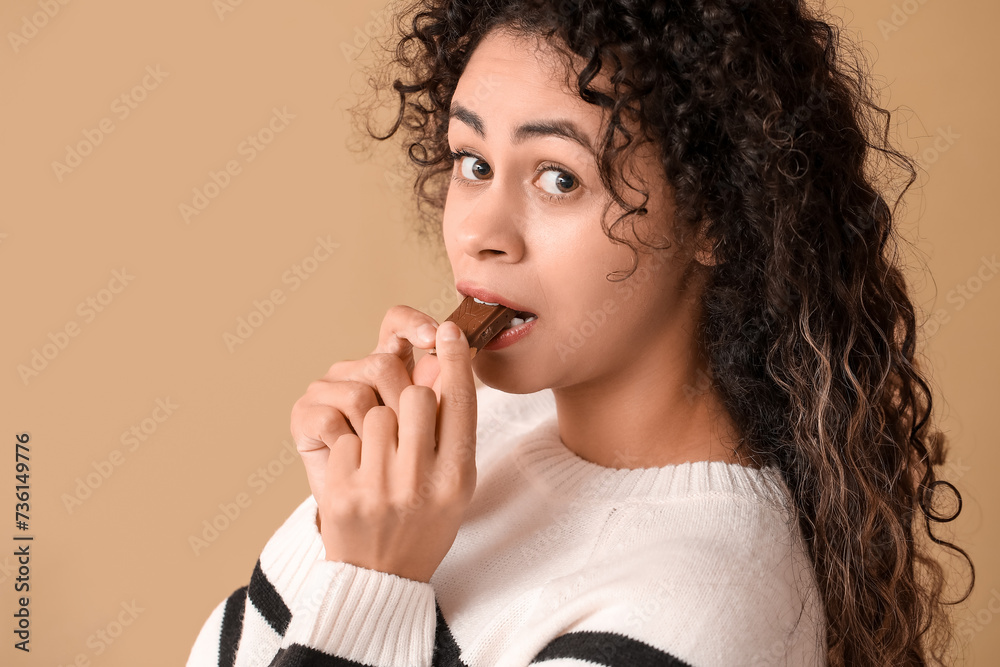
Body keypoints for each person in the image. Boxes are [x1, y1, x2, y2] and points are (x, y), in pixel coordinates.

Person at [187, 0, 974, 665]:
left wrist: (372, 576)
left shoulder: (701, 614)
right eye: (472, 162)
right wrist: (340, 520)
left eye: (558, 177)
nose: (481, 232)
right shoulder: (472, 436)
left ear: (715, 216)